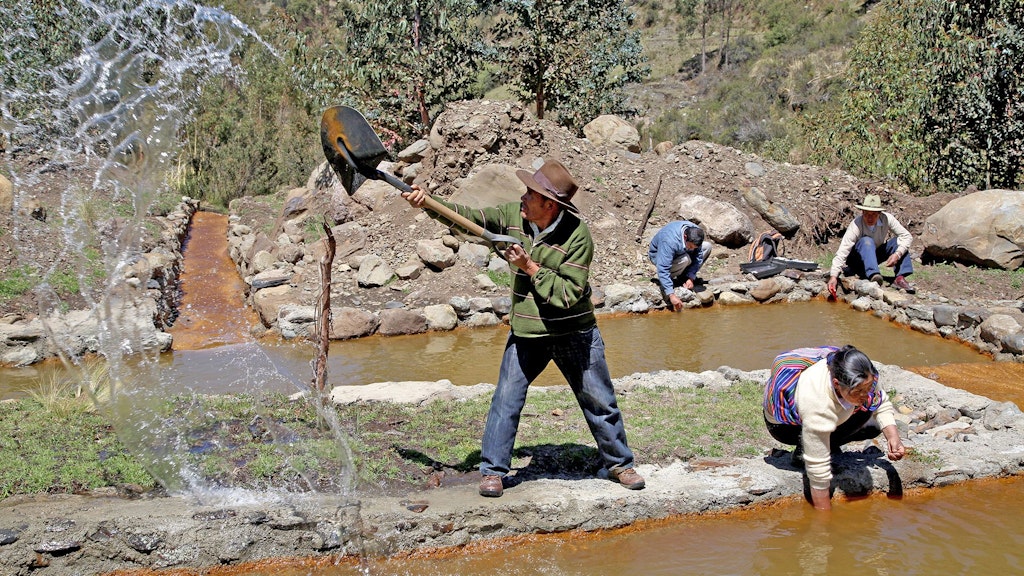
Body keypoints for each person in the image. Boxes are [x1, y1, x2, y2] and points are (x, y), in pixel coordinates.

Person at [401, 158, 645, 497]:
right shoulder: (513, 217)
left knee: (599, 400)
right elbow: (469, 220)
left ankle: (620, 464)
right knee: (506, 398)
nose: (523, 198)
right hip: (528, 332)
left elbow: (567, 294)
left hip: (574, 332)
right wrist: (428, 203)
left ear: (550, 203)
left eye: (531, 193)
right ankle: (493, 472)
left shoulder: (578, 236)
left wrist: (528, 265)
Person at [762, 344, 906, 510]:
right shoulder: (816, 401)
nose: (865, 395)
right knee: (817, 449)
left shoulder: (863, 375)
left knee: (873, 426)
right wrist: (824, 521)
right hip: (784, 427)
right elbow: (818, 471)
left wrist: (893, 437)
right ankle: (802, 453)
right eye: (858, 391)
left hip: (828, 412)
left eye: (868, 388)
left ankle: (828, 441)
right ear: (837, 384)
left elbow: (881, 403)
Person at [827, 194, 915, 296]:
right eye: (866, 214)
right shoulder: (856, 224)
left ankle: (899, 278)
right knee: (866, 241)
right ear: (862, 212)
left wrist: (898, 254)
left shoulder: (887, 219)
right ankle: (874, 275)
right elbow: (843, 250)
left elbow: (907, 236)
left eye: (873, 214)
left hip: (874, 256)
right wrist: (834, 276)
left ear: (879, 214)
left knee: (897, 242)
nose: (870, 218)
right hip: (857, 259)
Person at [648, 221, 713, 311]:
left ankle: (684, 277)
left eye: (694, 247)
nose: (692, 249)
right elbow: (663, 268)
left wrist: (691, 277)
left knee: (707, 246)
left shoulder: (696, 232)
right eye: (690, 246)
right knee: (686, 259)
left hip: (680, 254)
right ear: (685, 237)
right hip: (660, 257)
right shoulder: (669, 240)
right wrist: (671, 294)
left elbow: (698, 257)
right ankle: (673, 277)